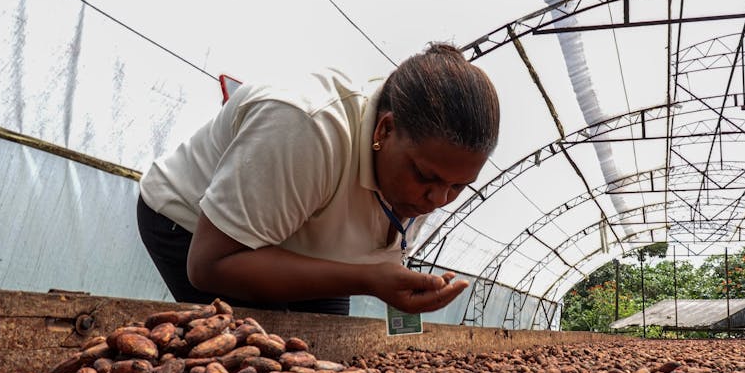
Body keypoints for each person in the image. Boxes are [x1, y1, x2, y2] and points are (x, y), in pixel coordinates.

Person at [135, 43, 499, 315]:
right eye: (425, 177)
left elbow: (371, 255)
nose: (437, 199)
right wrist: (367, 278)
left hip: (308, 240)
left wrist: (374, 278)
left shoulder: (426, 168)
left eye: (458, 186)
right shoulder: (306, 125)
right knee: (265, 360)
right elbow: (209, 266)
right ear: (385, 130)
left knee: (325, 362)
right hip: (199, 233)